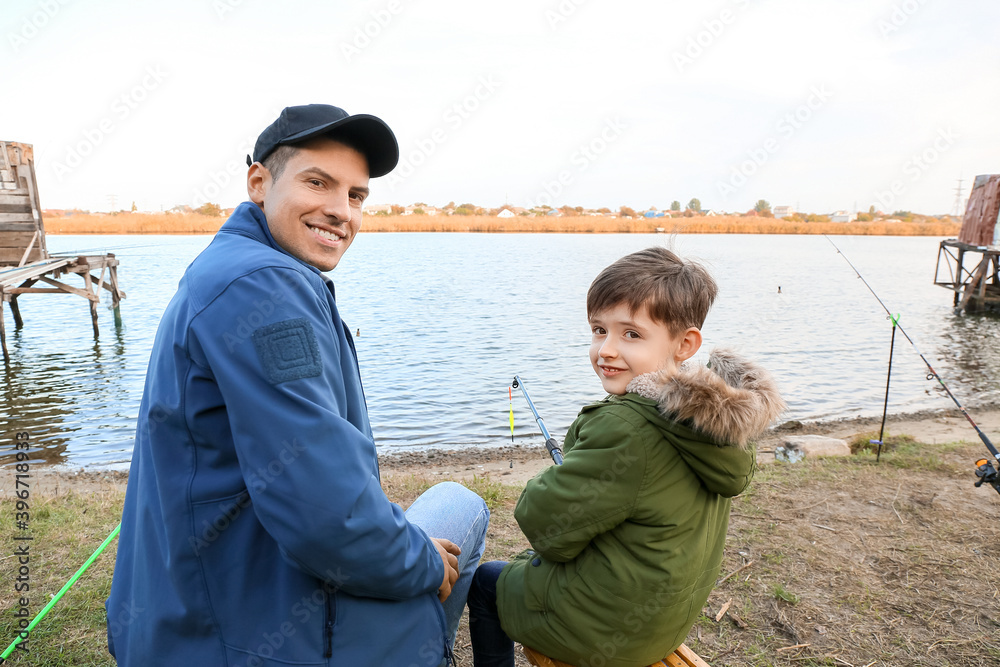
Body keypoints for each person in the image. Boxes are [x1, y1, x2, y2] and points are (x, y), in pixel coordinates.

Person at [106, 104, 489, 667]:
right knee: (462, 507)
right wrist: (422, 562)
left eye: (356, 195)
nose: (340, 212)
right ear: (259, 182)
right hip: (243, 637)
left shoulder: (231, 263)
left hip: (181, 612)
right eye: (318, 182)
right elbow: (327, 515)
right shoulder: (266, 286)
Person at [467, 247, 784, 667]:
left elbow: (545, 529)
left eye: (631, 334)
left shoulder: (625, 428)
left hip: (607, 634)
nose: (607, 350)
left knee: (487, 582)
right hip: (663, 623)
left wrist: (565, 472)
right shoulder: (714, 424)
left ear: (686, 343)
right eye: (599, 330)